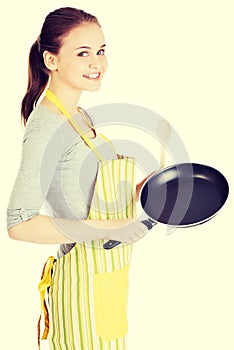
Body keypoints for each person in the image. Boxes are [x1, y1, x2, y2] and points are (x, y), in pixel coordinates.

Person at [6, 7, 149, 350]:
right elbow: (19, 223)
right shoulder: (47, 125)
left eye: (101, 51)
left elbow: (83, 194)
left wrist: (141, 191)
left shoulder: (80, 117)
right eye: (83, 53)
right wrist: (107, 228)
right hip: (81, 284)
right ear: (51, 61)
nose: (97, 63)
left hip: (108, 281)